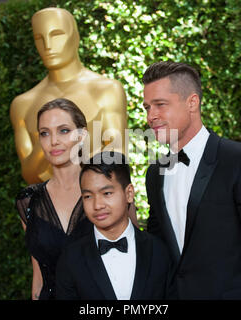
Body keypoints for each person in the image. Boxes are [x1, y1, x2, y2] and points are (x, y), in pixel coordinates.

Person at [142, 61, 241, 299]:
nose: (151, 116)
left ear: (192, 102)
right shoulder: (155, 173)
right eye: (147, 107)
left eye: (160, 105)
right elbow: (160, 252)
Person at [10, 8, 127, 184]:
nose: (48, 46)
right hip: (48, 205)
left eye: (56, 35)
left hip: (98, 203)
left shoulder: (106, 90)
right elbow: (29, 174)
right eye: (39, 38)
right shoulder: (23, 104)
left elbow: (118, 158)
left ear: (75, 37)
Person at [55, 152, 176, 300]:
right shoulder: (70, 259)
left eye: (106, 193)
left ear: (129, 193)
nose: (97, 205)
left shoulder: (159, 251)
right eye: (88, 196)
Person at [15, 98, 92, 300]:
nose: (53, 141)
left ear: (82, 135)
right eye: (45, 133)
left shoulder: (108, 190)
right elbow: (38, 275)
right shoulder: (29, 201)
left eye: (63, 130)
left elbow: (136, 259)